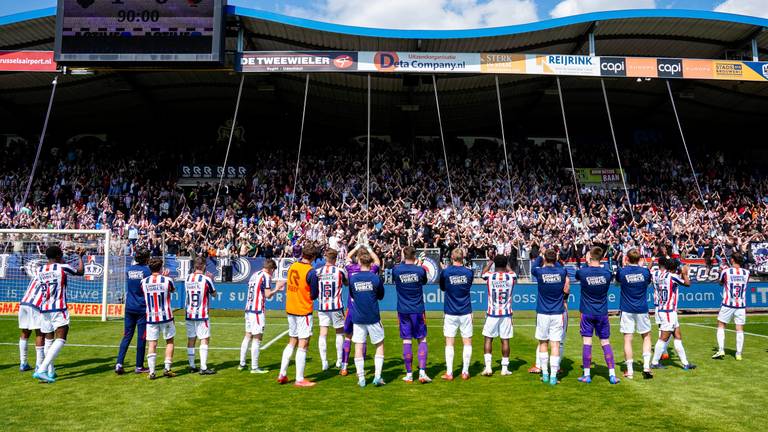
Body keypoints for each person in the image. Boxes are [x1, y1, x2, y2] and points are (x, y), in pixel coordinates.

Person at [32, 246, 85, 383]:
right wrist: (80, 257)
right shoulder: (62, 267)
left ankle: (50, 372)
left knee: (49, 339)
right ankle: (42, 369)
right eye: (61, 254)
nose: (63, 256)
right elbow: (80, 272)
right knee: (61, 338)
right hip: (59, 307)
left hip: (44, 309)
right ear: (57, 256)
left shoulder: (39, 270)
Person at [575, 247, 620, 384]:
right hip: (602, 312)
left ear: (590, 257)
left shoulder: (583, 272)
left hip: (587, 312)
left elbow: (578, 275)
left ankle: (587, 374)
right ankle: (612, 374)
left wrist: (586, 262)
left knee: (587, 342)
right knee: (605, 342)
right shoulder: (606, 274)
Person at [277, 245, 318, 387]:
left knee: (292, 341)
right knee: (303, 343)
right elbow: (314, 294)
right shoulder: (311, 272)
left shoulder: (293, 266)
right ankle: (299, 379)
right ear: (312, 258)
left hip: (291, 308)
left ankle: (282, 374)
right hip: (303, 310)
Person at [340, 244, 380, 376]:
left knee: (348, 337)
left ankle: (344, 366)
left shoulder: (351, 268)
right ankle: (360, 371)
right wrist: (369, 249)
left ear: (358, 258)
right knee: (362, 340)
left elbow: (347, 257)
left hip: (351, 308)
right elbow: (378, 262)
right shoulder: (371, 270)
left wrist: (355, 248)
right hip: (364, 309)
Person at [392, 246, 431, 383]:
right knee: (422, 339)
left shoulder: (397, 270)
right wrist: (418, 264)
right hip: (418, 309)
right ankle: (422, 372)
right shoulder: (420, 270)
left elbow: (396, 278)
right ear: (414, 256)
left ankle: (409, 374)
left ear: (403, 255)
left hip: (403, 310)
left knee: (406, 340)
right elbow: (424, 281)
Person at [531, 249, 569, 386]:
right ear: (556, 258)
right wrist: (555, 259)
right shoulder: (561, 272)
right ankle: (553, 377)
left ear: (545, 259)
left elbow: (533, 267)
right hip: (557, 313)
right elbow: (561, 268)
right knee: (555, 345)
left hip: (543, 313)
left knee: (543, 343)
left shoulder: (540, 272)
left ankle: (545, 374)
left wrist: (540, 256)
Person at [348, 252, 386, 387]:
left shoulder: (353, 279)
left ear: (359, 263)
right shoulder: (375, 279)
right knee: (379, 345)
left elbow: (352, 295)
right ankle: (377, 376)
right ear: (370, 264)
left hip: (358, 317)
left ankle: (362, 378)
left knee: (358, 346)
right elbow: (381, 296)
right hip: (373, 317)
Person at [240, 259, 284, 373]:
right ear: (271, 269)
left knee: (248, 336)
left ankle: (242, 363)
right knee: (257, 338)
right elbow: (268, 295)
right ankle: (254, 367)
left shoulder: (255, 275)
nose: (273, 273)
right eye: (273, 270)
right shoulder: (266, 276)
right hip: (257, 310)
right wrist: (277, 289)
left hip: (248, 309)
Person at [650, 258, 696, 370]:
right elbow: (687, 283)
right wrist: (685, 273)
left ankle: (685, 363)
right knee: (663, 338)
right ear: (675, 268)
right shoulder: (673, 277)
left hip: (664, 309)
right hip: (668, 311)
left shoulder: (658, 275)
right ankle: (654, 362)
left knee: (677, 336)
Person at [616, 248, 653, 380]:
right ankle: (646, 367)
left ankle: (630, 371)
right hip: (642, 308)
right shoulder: (645, 272)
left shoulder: (622, 271)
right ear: (640, 259)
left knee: (628, 339)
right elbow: (648, 281)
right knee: (646, 336)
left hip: (627, 309)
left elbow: (617, 281)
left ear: (627, 258)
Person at [308, 248, 347, 371]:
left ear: (326, 258)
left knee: (323, 333)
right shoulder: (340, 271)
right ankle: (339, 360)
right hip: (336, 305)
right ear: (335, 259)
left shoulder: (317, 271)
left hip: (322, 306)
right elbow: (346, 283)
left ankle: (324, 361)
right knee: (339, 333)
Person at [439, 248, 474, 381]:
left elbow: (442, 287)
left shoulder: (446, 272)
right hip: (465, 311)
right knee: (467, 341)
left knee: (449, 342)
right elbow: (468, 285)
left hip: (451, 311)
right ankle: (465, 371)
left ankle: (450, 372)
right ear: (462, 257)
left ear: (452, 257)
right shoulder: (469, 273)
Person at [115, 248, 151, 375]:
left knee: (127, 336)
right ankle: (139, 366)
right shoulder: (147, 271)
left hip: (129, 306)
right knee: (142, 337)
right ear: (146, 258)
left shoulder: (129, 270)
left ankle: (119, 363)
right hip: (142, 307)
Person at [480, 254, 516, 377]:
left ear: (495, 263)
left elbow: (483, 273)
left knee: (488, 339)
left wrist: (491, 261)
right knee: (505, 340)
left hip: (492, 313)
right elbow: (512, 271)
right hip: (506, 313)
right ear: (506, 264)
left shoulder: (490, 276)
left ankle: (488, 367)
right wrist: (505, 263)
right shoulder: (511, 277)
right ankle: (504, 368)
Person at [141, 257, 177, 380]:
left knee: (152, 343)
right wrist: (165, 277)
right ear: (161, 268)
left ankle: (151, 372)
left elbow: (143, 293)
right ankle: (167, 369)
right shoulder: (167, 280)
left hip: (151, 317)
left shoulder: (144, 282)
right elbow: (173, 290)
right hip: (166, 316)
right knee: (170, 341)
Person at [712, 252, 749, 360]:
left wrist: (721, 272)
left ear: (732, 260)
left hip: (728, 303)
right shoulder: (746, 272)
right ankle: (738, 353)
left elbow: (720, 283)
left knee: (721, 325)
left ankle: (721, 349)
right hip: (741, 304)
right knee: (739, 328)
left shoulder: (726, 271)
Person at [184, 256, 217, 375]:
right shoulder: (206, 279)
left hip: (189, 313)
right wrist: (211, 280)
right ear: (203, 266)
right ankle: (203, 367)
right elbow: (214, 294)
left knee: (191, 339)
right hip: (202, 314)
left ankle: (192, 365)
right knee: (204, 339)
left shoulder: (188, 278)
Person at [18, 265, 46, 372]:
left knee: (25, 333)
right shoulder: (50, 276)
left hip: (24, 303)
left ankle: (23, 363)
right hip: (35, 305)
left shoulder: (36, 275)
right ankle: (39, 365)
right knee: (40, 334)